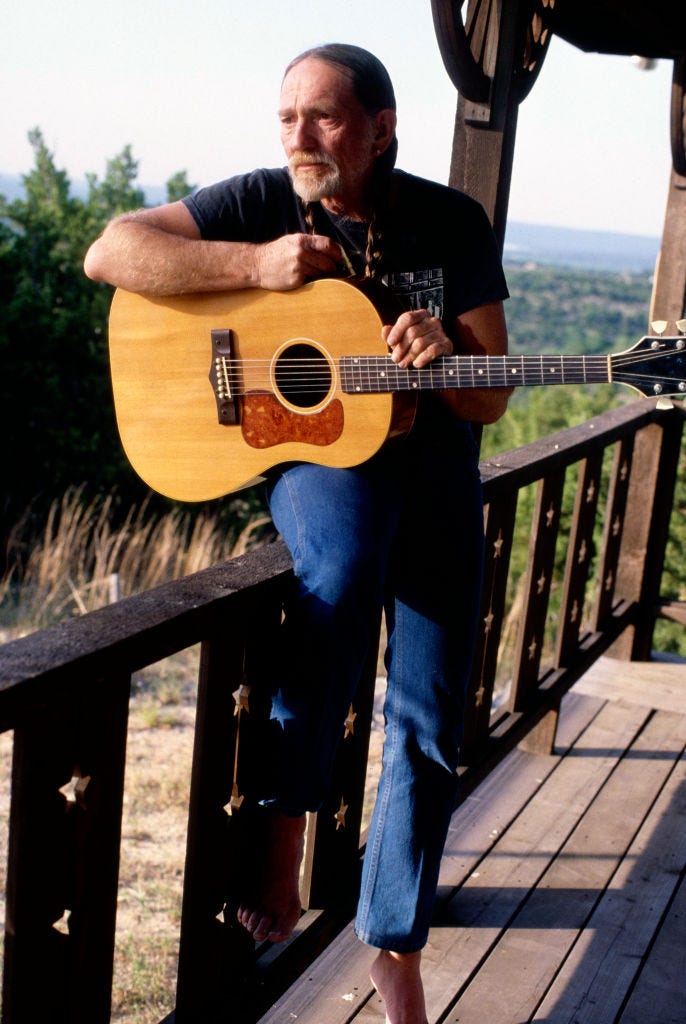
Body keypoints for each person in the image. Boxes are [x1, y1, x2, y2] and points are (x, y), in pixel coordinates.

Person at [85, 43, 510, 1024]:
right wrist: (255, 265)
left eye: (320, 117)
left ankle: (391, 937)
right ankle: (285, 833)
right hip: (314, 451)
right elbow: (112, 251)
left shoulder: (449, 220)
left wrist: (446, 350)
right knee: (343, 564)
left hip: (435, 469)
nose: (297, 137)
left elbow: (488, 396)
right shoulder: (255, 202)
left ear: (380, 127)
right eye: (285, 118)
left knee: (430, 715)